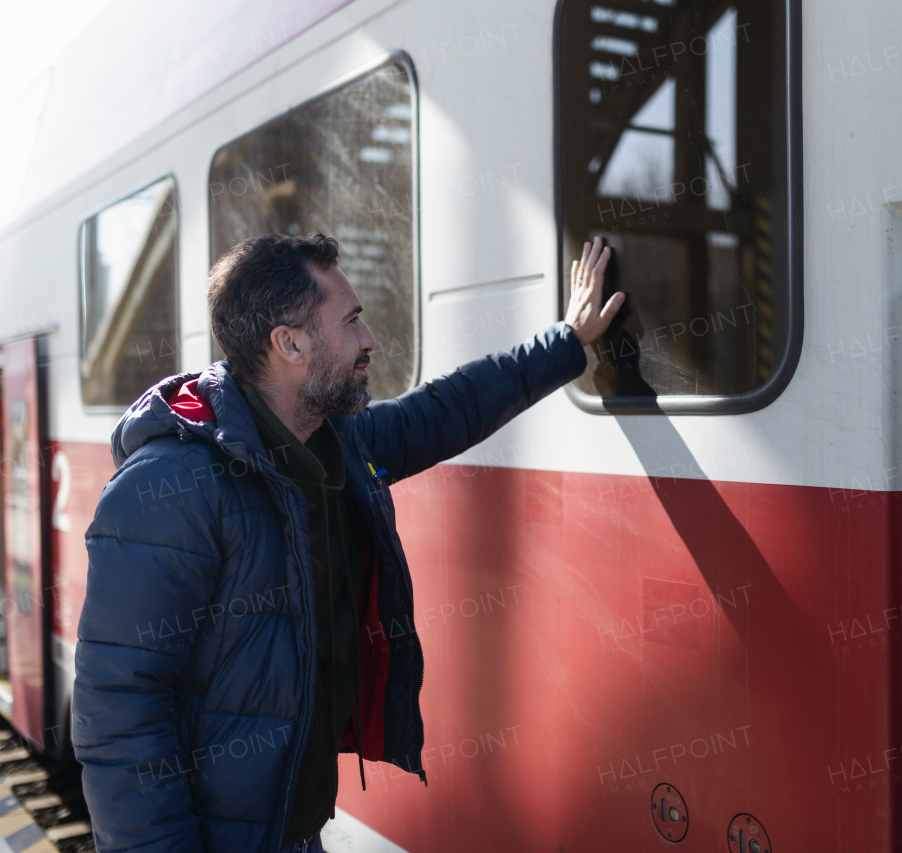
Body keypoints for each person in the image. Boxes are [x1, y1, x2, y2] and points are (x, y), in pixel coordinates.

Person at [72, 233, 622, 852]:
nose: (370, 340)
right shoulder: (171, 488)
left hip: (294, 830)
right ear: (290, 343)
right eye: (352, 321)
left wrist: (568, 342)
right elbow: (118, 710)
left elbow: (446, 411)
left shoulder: (334, 442)